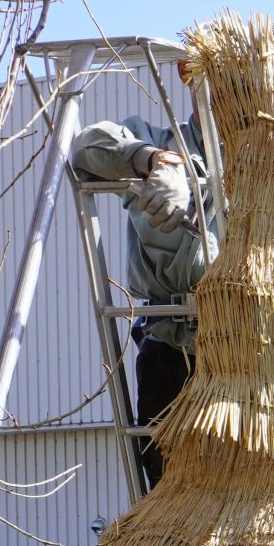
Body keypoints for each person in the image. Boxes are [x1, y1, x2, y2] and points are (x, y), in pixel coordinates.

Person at [73, 107, 218, 486]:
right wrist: (150, 159)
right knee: (169, 486)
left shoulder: (262, 160)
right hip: (167, 348)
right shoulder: (159, 141)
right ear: (189, 74)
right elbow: (85, 146)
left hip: (236, 347)